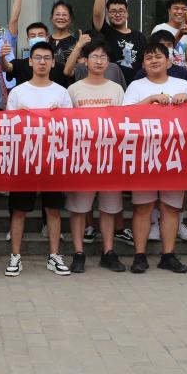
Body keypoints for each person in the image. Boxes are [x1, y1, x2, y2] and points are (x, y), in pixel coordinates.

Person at [124, 42, 187, 274]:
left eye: (158, 57)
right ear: (143, 64)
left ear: (169, 61)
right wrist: (152, 98)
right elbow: (124, 115)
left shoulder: (182, 84)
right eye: (148, 57)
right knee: (142, 207)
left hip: (175, 154)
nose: (154, 61)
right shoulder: (136, 86)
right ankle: (140, 255)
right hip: (144, 155)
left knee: (170, 208)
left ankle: (168, 255)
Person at [5, 41, 74, 277]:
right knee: (19, 210)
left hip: (52, 159)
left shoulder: (61, 92)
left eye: (47, 58)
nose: (42, 62)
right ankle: (15, 256)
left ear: (53, 62)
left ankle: (54, 255)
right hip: (24, 159)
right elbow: (7, 127)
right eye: (38, 57)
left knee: (53, 209)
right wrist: (19, 117)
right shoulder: (18, 92)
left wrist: (59, 116)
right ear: (30, 61)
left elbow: (72, 127)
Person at [65, 39, 126, 273]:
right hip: (82, 157)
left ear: (108, 62)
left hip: (111, 156)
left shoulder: (116, 89)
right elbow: (65, 124)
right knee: (79, 208)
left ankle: (108, 252)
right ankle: (78, 253)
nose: (99, 61)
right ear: (85, 61)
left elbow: (124, 122)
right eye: (94, 57)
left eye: (103, 57)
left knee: (110, 207)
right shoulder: (74, 89)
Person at [92, 0, 147, 80]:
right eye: (113, 11)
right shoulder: (105, 32)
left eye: (121, 11)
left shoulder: (139, 36)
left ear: (127, 13)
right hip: (111, 85)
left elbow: (146, 62)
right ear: (107, 14)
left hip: (135, 85)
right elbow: (97, 14)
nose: (117, 14)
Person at [151, 0, 187, 74]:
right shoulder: (160, 28)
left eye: (184, 9)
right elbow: (158, 52)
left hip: (184, 77)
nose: (180, 12)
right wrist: (180, 33)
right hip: (164, 76)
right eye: (176, 8)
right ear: (169, 11)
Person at [61, 33, 127, 88]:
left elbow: (122, 93)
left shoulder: (114, 68)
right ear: (86, 59)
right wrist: (79, 45)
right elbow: (67, 72)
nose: (99, 62)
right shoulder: (81, 67)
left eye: (102, 56)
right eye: (94, 56)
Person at [2, 22, 54, 87]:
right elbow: (6, 68)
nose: (37, 38)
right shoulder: (19, 64)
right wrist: (2, 57)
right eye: (33, 36)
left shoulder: (58, 67)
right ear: (28, 40)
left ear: (47, 38)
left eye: (40, 35)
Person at [48, 0, 78, 87]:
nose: (61, 17)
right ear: (51, 18)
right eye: (57, 14)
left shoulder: (77, 43)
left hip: (68, 88)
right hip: (45, 88)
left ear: (70, 19)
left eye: (64, 15)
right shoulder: (45, 41)